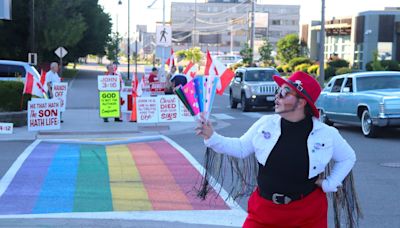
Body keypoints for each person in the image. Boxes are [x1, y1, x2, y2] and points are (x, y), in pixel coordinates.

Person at [195, 71, 358, 228]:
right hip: (264, 211)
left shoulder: (326, 134)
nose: (277, 96)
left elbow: (348, 157)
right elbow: (241, 148)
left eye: (285, 93)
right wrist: (212, 136)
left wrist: (329, 184)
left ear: (301, 102)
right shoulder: (266, 124)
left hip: (307, 214)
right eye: (278, 91)